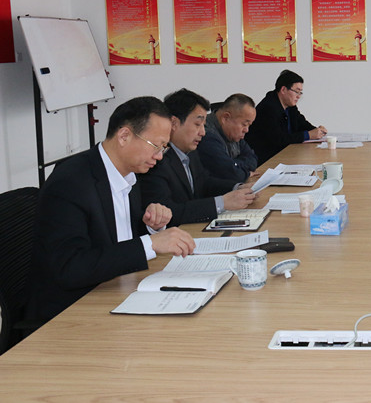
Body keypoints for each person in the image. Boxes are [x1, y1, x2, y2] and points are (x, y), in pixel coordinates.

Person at [26, 97, 196, 323]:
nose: (158, 156)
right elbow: (69, 267)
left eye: (163, 148)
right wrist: (150, 244)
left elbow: (118, 239)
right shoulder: (70, 182)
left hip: (116, 289)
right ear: (124, 136)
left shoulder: (129, 174)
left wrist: (151, 226)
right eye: (156, 146)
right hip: (71, 312)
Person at [138, 89, 256, 228]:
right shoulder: (156, 160)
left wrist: (237, 188)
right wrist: (222, 203)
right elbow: (168, 211)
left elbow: (204, 183)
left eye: (203, 125)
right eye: (197, 124)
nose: (203, 132)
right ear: (174, 123)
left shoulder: (190, 152)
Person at [245, 70, 328, 164]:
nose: (298, 96)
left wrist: (317, 131)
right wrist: (308, 135)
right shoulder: (268, 108)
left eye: (300, 92)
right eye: (296, 91)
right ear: (283, 90)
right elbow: (279, 139)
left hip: (283, 155)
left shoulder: (290, 106)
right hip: (265, 160)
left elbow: (301, 123)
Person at [196, 93, 259, 182]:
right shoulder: (206, 135)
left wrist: (234, 164)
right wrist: (245, 172)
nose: (246, 130)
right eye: (244, 124)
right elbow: (232, 174)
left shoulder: (234, 134)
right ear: (225, 118)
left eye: (249, 125)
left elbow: (252, 159)